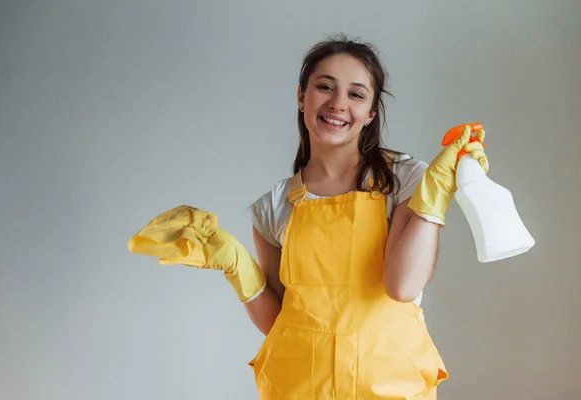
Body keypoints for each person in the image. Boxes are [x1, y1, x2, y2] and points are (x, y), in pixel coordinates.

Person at [127, 34, 489, 400]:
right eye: (325, 87)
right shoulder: (274, 205)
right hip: (300, 388)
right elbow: (278, 323)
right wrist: (235, 264)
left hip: (390, 388)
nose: (337, 104)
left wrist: (434, 197)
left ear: (371, 114)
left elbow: (403, 286)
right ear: (302, 96)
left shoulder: (404, 180)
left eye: (356, 94)